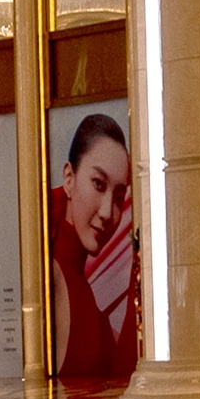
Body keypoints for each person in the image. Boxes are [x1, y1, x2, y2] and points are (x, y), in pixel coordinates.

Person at [45, 112, 141, 380]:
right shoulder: (49, 277)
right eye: (98, 184)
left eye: (119, 197)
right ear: (69, 177)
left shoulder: (87, 301)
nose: (108, 212)